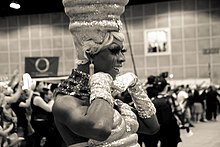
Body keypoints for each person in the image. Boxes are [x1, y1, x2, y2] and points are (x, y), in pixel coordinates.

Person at [52, 0, 160, 146]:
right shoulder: (66, 101)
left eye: (122, 51)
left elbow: (152, 127)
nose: (122, 59)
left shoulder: (106, 97)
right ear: (90, 54)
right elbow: (99, 128)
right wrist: (100, 80)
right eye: (115, 51)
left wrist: (135, 86)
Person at [138, 75, 181, 147]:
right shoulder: (170, 99)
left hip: (156, 130)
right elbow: (179, 111)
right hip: (170, 131)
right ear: (166, 87)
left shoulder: (152, 101)